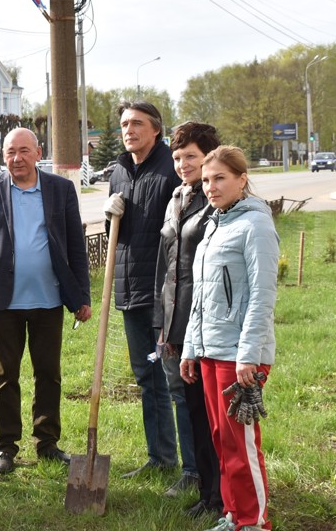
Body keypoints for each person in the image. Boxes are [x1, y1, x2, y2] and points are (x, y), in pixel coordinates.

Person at [0, 128, 92, 474]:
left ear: (39, 152)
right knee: (4, 375)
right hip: (3, 302)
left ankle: (47, 442)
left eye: (24, 151)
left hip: (49, 299)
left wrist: (81, 295)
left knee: (48, 373)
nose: (16, 158)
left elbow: (75, 248)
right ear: (2, 156)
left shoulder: (60, 189)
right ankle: (6, 446)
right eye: (10, 152)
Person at [180, 146, 278, 531]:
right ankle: (233, 515)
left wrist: (248, 355)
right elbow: (201, 298)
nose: (210, 187)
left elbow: (262, 295)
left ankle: (254, 522)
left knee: (242, 444)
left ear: (241, 179)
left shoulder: (256, 225)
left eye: (219, 178)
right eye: (205, 180)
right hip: (209, 351)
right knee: (222, 440)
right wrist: (191, 348)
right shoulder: (215, 224)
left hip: (239, 356)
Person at [103, 100, 181, 479]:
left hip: (165, 293)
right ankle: (161, 458)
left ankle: (193, 467)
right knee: (146, 376)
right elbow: (118, 235)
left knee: (173, 376)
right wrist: (109, 216)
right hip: (131, 291)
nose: (128, 130)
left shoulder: (171, 168)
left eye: (136, 123)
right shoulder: (119, 170)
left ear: (156, 129)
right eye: (123, 124)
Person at [152, 122, 222, 514]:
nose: (182, 164)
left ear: (208, 156)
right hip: (177, 319)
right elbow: (168, 266)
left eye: (190, 157)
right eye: (177, 158)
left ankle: (218, 492)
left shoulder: (215, 198)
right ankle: (206, 492)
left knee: (209, 410)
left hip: (207, 318)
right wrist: (164, 323)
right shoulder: (177, 197)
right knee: (193, 406)